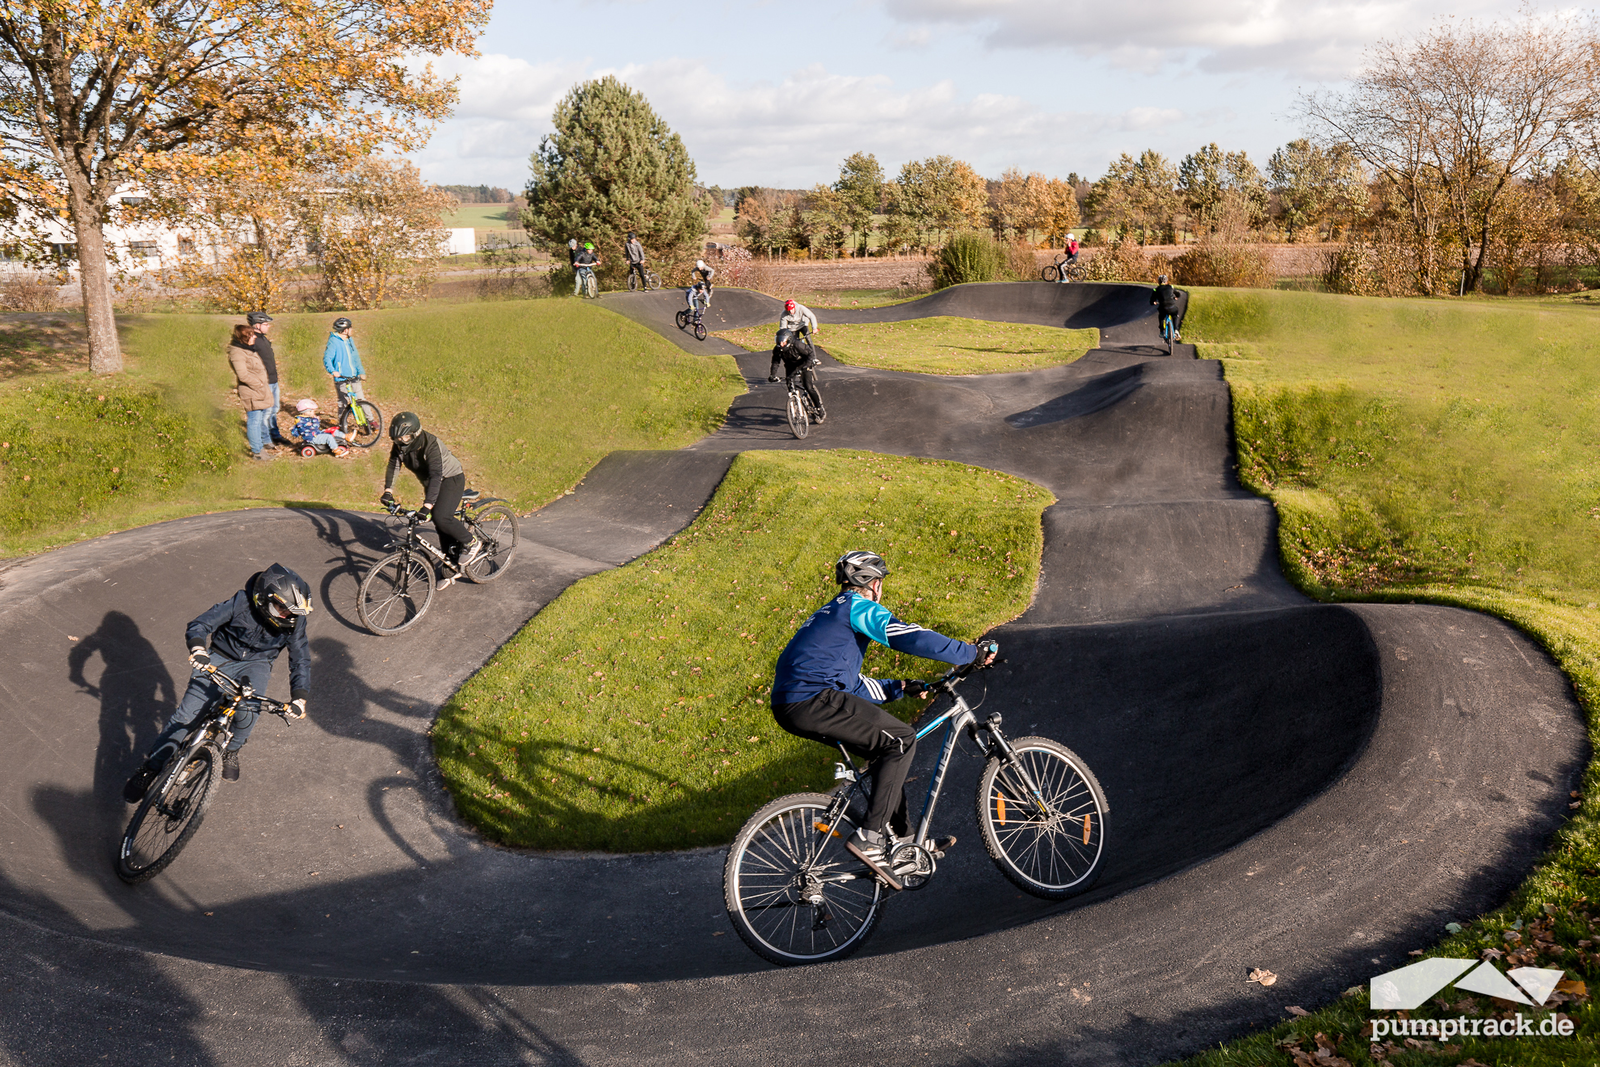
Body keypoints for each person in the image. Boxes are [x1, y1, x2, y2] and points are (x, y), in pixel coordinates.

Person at [769, 551, 995, 889]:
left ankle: (904, 842)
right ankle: (869, 838)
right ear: (873, 584)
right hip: (813, 698)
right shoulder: (854, 606)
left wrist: (900, 687)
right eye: (881, 583)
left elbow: (853, 685)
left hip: (793, 704)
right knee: (902, 739)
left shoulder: (827, 615)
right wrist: (970, 653)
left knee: (885, 752)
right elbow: (909, 635)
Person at [122, 563, 312, 798]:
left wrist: (299, 697)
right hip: (220, 657)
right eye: (283, 609)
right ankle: (150, 768)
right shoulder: (241, 602)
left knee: (249, 710)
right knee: (185, 717)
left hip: (257, 664)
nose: (288, 616)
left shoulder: (294, 621)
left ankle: (231, 750)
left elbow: (300, 657)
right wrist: (199, 649)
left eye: (293, 612)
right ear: (265, 599)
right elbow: (200, 624)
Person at [381, 411, 483, 588]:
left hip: (450, 478)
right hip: (431, 481)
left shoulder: (430, 444)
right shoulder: (399, 445)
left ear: (415, 434)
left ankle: (472, 541)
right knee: (439, 524)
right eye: (397, 439)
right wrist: (388, 491)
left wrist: (427, 506)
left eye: (404, 438)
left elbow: (437, 475)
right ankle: (451, 563)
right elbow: (393, 465)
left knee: (441, 517)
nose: (401, 442)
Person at [768, 299, 825, 422]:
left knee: (808, 387)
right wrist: (772, 375)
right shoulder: (778, 349)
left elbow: (811, 316)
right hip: (791, 364)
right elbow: (775, 362)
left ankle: (819, 408)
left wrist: (814, 328)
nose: (781, 344)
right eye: (779, 342)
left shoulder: (797, 345)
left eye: (783, 342)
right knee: (790, 386)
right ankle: (795, 404)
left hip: (803, 360)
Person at [227, 323, 275, 461]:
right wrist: (259, 384)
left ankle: (261, 448)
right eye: (252, 335)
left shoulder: (248, 349)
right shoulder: (237, 353)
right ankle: (258, 453)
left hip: (258, 390)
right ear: (244, 337)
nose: (255, 336)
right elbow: (243, 375)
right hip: (252, 391)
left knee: (258, 420)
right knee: (254, 421)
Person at [246, 311, 291, 449]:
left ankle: (275, 434)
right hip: (263, 382)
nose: (268, 326)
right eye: (266, 324)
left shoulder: (264, 339)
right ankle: (265, 440)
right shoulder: (252, 341)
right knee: (265, 412)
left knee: (274, 409)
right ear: (257, 325)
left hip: (273, 380)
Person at [322, 316, 365, 408]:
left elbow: (355, 357)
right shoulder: (333, 342)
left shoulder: (350, 340)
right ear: (345, 330)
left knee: (361, 400)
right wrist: (333, 371)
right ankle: (342, 422)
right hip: (342, 377)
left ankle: (371, 421)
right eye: (350, 328)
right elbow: (327, 358)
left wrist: (361, 372)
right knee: (343, 402)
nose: (352, 330)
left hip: (354, 376)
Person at [1151, 274, 1186, 341]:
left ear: (1158, 282)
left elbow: (1152, 301)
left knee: (1161, 317)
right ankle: (1176, 330)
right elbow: (1178, 294)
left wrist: (1154, 302)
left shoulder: (1156, 290)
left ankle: (1161, 331)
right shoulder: (1171, 287)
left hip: (1163, 308)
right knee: (1175, 315)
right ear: (1166, 281)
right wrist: (1176, 297)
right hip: (1172, 307)